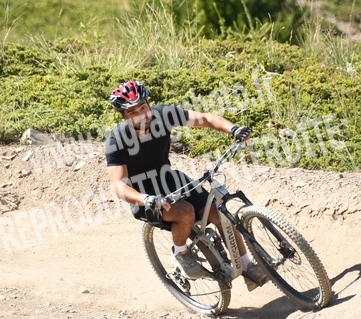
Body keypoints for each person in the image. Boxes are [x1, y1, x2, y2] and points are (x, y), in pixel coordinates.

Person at [105, 80, 267, 290]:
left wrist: (234, 129)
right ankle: (180, 253)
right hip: (144, 195)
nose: (141, 115)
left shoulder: (163, 115)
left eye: (143, 107)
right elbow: (118, 186)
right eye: (133, 112)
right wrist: (145, 199)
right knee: (185, 212)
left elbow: (206, 119)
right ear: (124, 116)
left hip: (171, 180)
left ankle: (247, 266)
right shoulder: (117, 140)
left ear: (148, 104)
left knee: (220, 214)